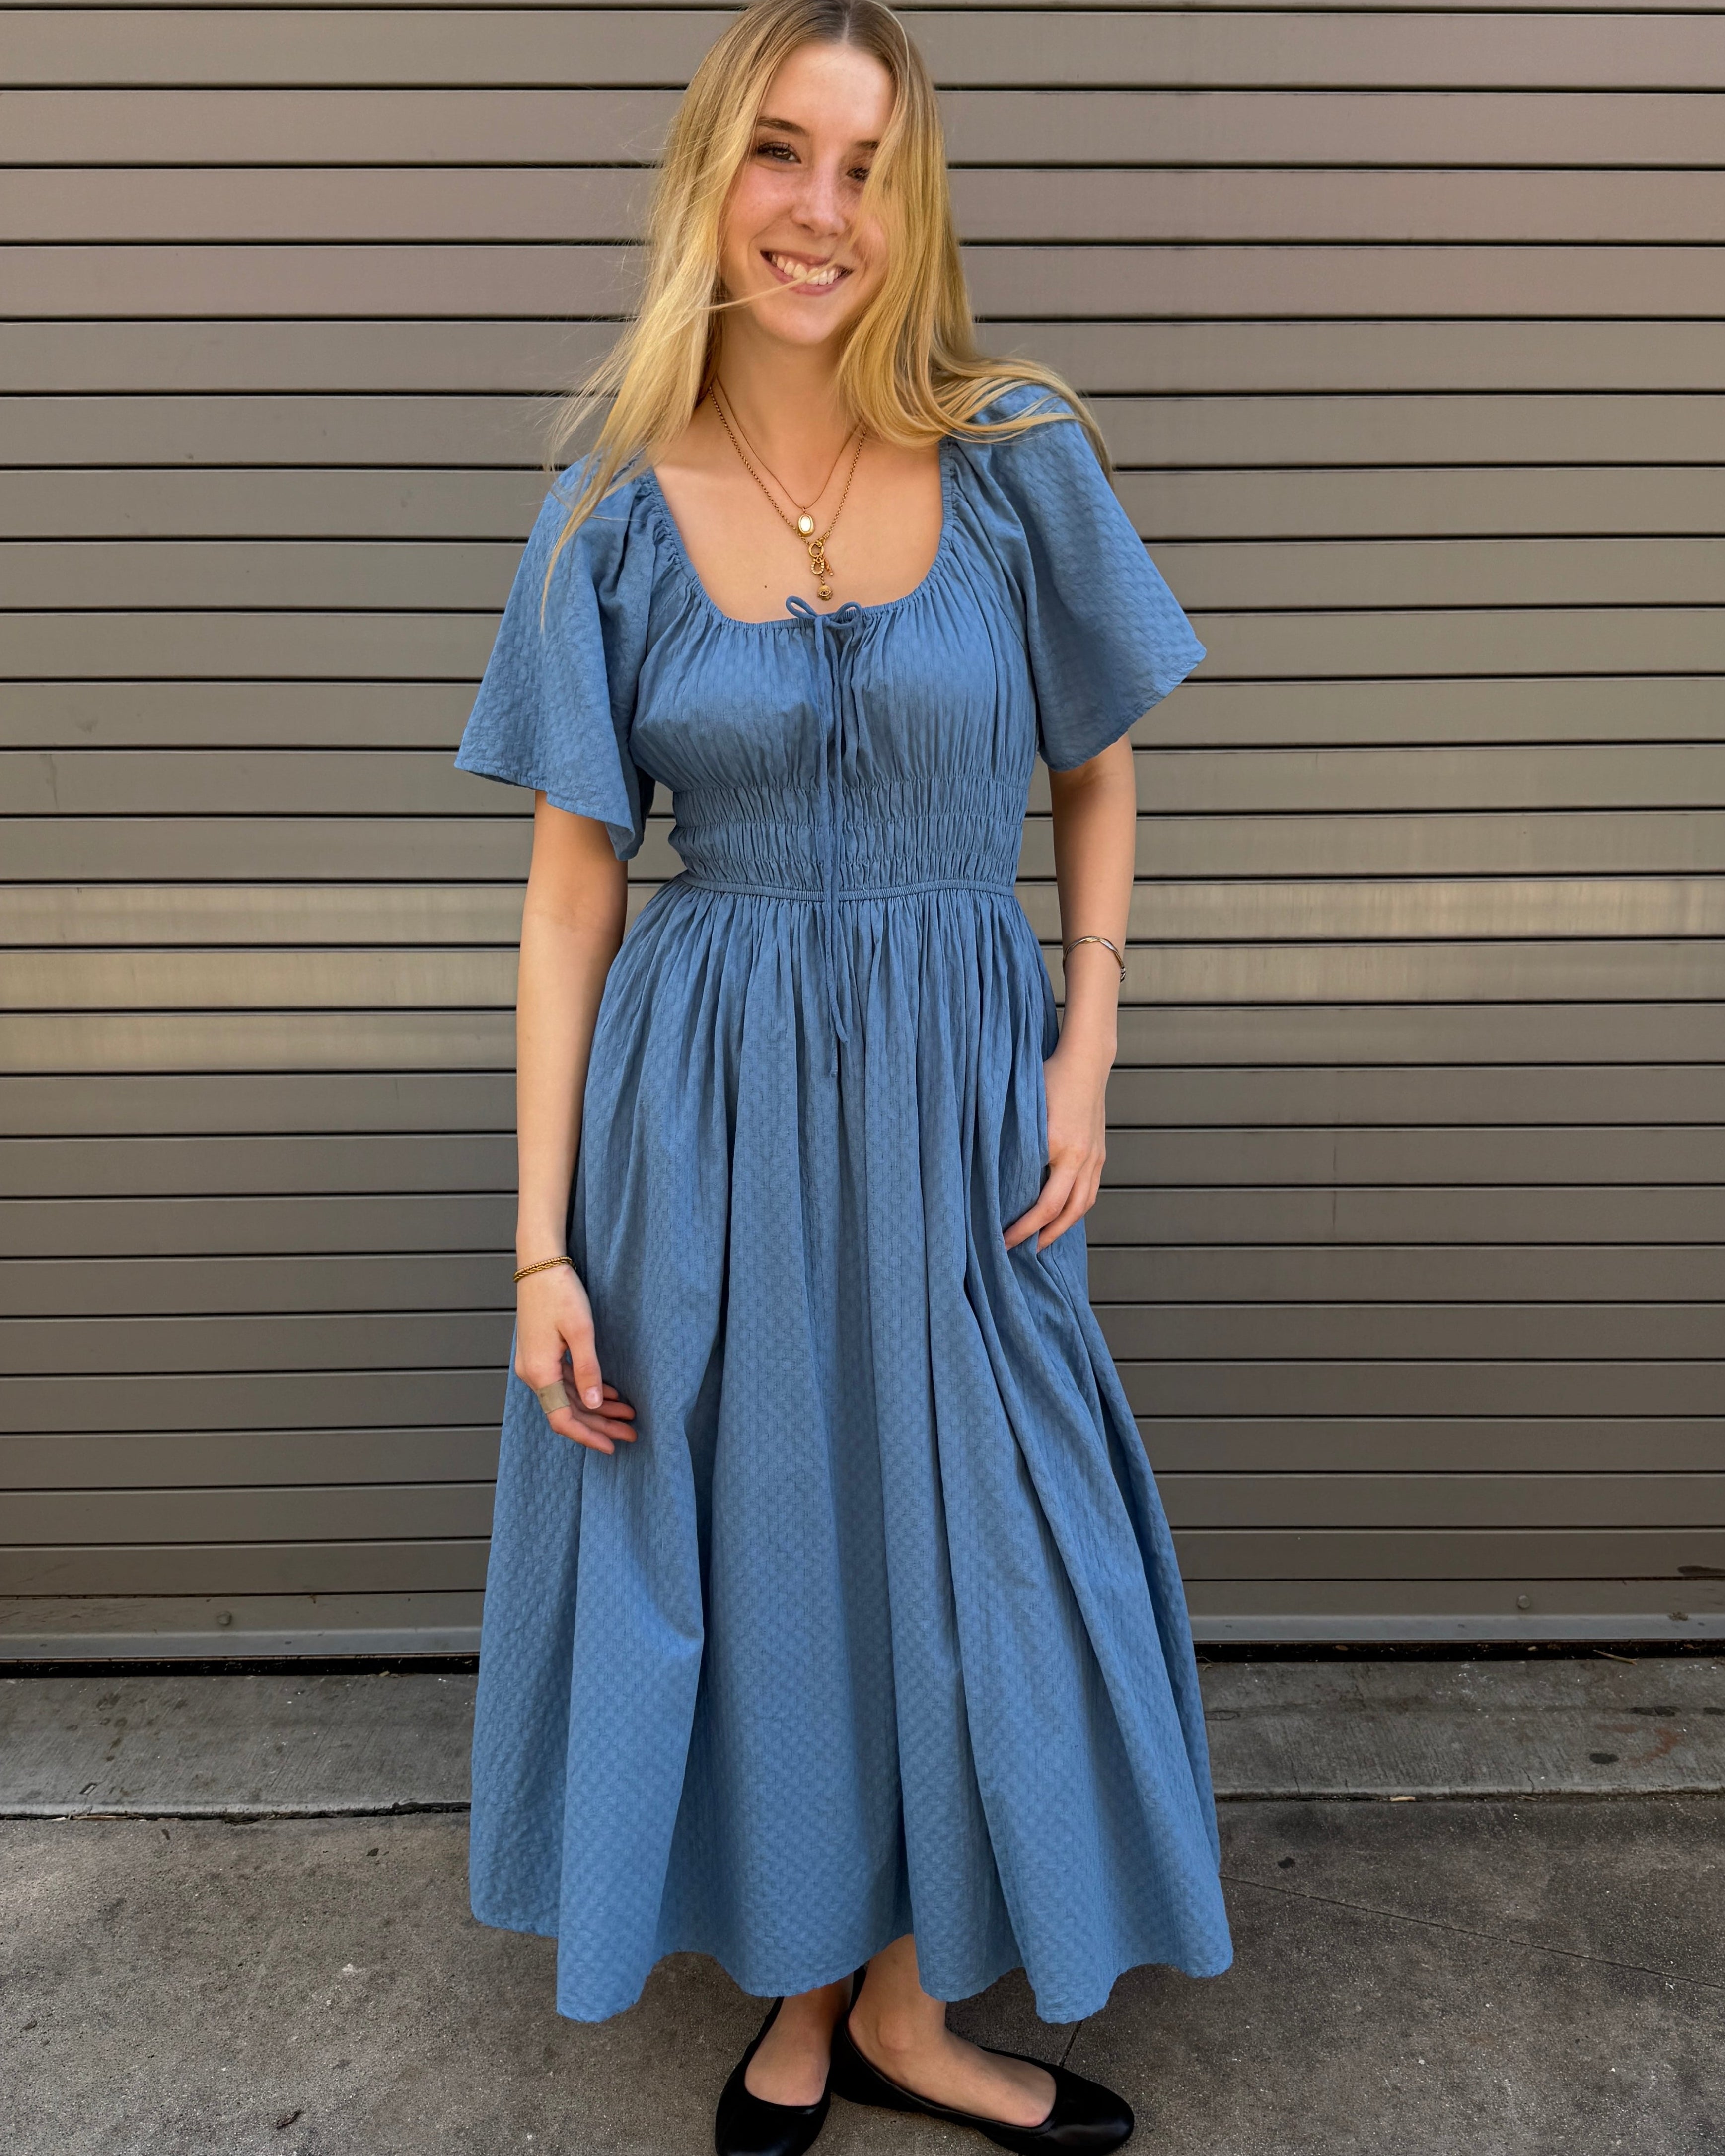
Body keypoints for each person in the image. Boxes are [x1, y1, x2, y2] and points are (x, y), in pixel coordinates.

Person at [452, 1, 1233, 2148]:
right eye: (782, 153)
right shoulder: (612, 504)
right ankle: (805, 1994)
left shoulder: (1012, 453)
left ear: (915, 196)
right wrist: (537, 1242)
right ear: (712, 172)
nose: (820, 211)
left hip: (962, 1076)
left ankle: (904, 1999)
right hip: (694, 1106)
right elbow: (563, 899)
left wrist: (1084, 1043)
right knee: (769, 1537)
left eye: (866, 165)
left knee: (980, 1526)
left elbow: (1097, 767)